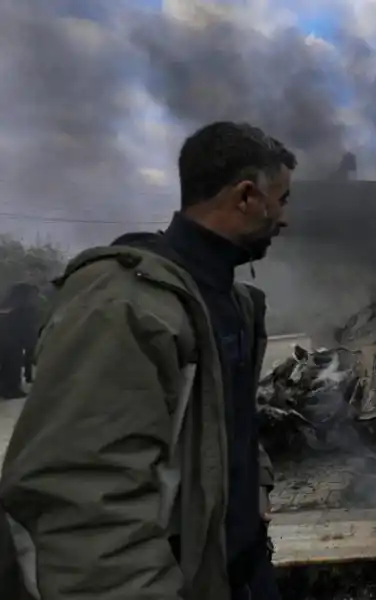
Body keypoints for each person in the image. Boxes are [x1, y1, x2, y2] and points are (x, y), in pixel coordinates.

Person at [0, 121, 294, 600]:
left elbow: (227, 419)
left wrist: (254, 485)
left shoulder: (232, 302)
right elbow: (86, 503)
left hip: (240, 573)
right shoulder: (125, 305)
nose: (285, 219)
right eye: (282, 200)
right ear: (246, 196)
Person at [0, 283, 40, 399]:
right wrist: (31, 346)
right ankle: (11, 389)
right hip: (13, 342)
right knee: (13, 366)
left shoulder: (6, 305)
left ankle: (5, 388)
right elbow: (28, 329)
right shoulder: (27, 308)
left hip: (5, 341)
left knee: (5, 366)